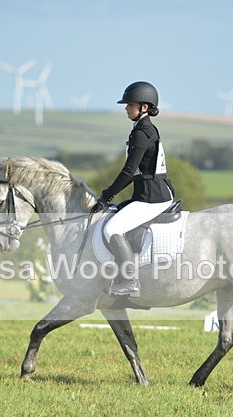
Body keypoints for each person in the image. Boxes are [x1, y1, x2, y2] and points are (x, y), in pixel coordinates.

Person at [91, 81, 175, 298]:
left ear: (144, 107)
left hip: (152, 197)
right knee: (115, 215)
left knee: (112, 229)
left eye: (130, 104)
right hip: (148, 193)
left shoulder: (142, 132)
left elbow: (129, 172)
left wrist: (106, 194)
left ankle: (129, 281)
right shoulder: (143, 129)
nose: (126, 108)